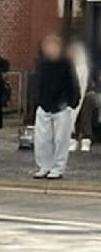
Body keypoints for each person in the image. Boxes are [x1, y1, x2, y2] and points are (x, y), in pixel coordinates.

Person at [33, 34, 82, 180]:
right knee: (42, 139)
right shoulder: (42, 64)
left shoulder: (66, 63)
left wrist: (72, 103)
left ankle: (58, 167)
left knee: (61, 139)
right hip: (44, 105)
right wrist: (38, 101)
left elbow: (73, 84)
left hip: (61, 106)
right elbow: (38, 84)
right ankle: (44, 166)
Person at [69, 41, 94, 152]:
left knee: (85, 112)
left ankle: (86, 138)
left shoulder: (86, 67)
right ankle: (72, 138)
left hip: (86, 95)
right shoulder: (69, 67)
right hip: (73, 96)